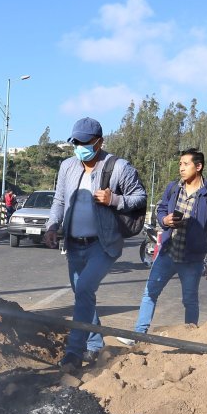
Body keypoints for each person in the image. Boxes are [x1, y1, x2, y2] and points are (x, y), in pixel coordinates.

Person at [43, 117, 146, 371]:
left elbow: (140, 198)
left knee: (85, 290)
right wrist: (52, 226)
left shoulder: (119, 167)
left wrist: (114, 200)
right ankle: (95, 344)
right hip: (73, 244)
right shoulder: (67, 166)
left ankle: (73, 353)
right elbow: (58, 201)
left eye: (84, 142)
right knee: (83, 296)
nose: (79, 146)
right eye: (75, 142)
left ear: (99, 142)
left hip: (103, 244)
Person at [119, 148, 207, 344]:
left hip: (192, 259)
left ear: (198, 166)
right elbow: (160, 208)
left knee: (190, 300)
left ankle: (189, 341)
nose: (181, 168)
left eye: (186, 164)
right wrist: (164, 219)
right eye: (180, 164)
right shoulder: (173, 188)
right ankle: (138, 335)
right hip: (167, 252)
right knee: (150, 293)